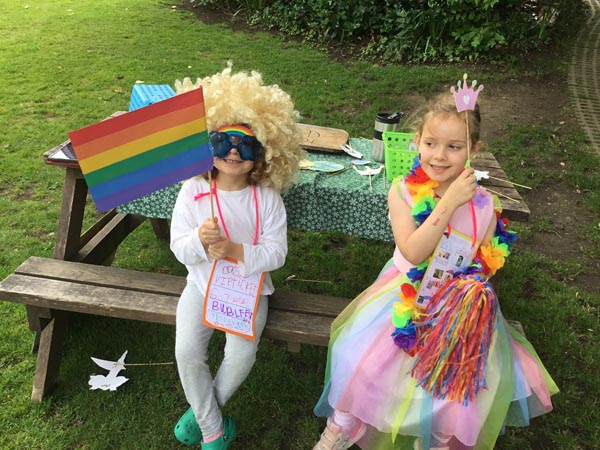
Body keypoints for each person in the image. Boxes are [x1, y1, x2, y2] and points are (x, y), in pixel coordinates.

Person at [312, 89, 558, 450]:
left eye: (454, 147)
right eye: (431, 143)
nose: (440, 155)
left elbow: (485, 261)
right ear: (417, 142)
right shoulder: (403, 192)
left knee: (462, 382)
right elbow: (413, 251)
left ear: (474, 150)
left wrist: (467, 295)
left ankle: (440, 439)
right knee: (359, 359)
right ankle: (343, 423)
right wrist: (450, 203)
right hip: (403, 296)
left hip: (457, 306)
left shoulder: (486, 203)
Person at [170, 64, 305, 449]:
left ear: (265, 151)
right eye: (223, 141)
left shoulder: (267, 198)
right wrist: (199, 239)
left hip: (249, 288)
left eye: (246, 144)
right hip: (200, 284)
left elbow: (277, 253)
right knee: (186, 351)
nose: (233, 151)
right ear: (206, 143)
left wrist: (234, 250)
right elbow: (179, 246)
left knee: (241, 355)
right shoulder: (192, 191)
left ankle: (203, 413)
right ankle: (213, 431)